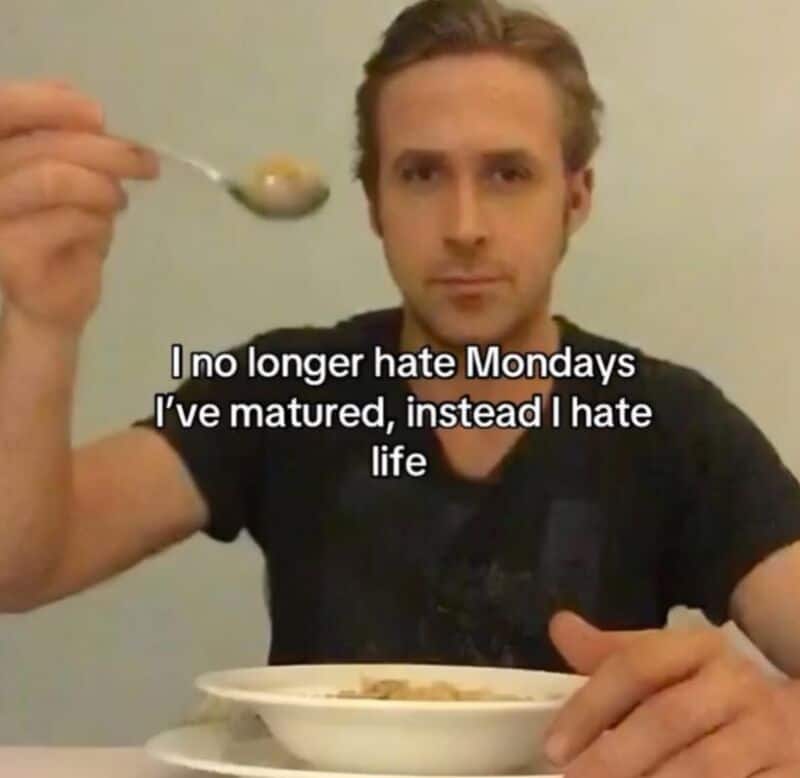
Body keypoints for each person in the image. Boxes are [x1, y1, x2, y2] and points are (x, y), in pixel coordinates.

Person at [1, 0, 799, 774]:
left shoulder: (669, 423)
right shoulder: (288, 388)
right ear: (375, 204)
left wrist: (782, 722)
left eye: (508, 173)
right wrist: (41, 324)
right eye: (421, 174)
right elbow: (22, 563)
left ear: (575, 197)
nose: (464, 226)